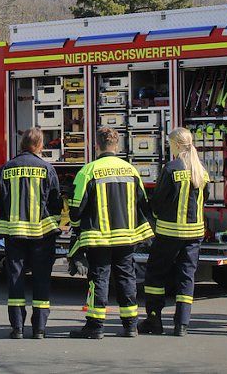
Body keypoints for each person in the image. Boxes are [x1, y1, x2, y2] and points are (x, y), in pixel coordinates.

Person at [67, 127, 153, 339]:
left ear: (97, 145)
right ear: (118, 146)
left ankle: (95, 326)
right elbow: (143, 203)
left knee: (99, 278)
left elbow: (76, 208)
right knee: (126, 277)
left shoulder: (88, 171)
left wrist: (76, 228)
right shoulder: (130, 170)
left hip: (98, 237)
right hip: (126, 237)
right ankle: (131, 324)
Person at [139, 127, 209, 337]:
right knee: (186, 277)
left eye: (170, 144)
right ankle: (182, 324)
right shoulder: (201, 169)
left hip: (169, 232)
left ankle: (154, 320)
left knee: (155, 274)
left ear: (177, 145)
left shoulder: (171, 168)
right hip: (194, 233)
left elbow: (159, 201)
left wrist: (154, 213)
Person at [0, 127, 62, 339]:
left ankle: (17, 328)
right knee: (41, 278)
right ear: (40, 145)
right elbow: (56, 201)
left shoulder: (7, 168)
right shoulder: (46, 168)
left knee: (15, 279)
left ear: (22, 143)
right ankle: (40, 328)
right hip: (42, 235)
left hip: (14, 234)